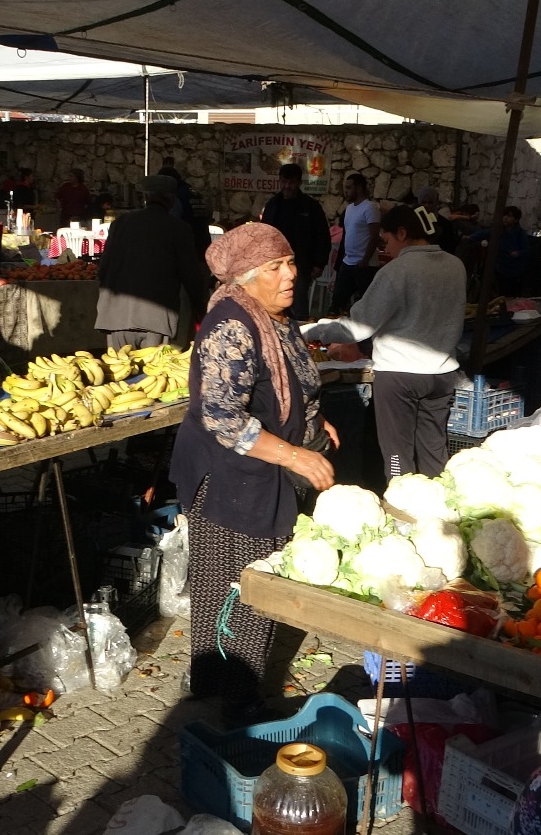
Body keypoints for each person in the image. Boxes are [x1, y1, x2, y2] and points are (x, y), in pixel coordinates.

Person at [169, 223, 337, 714]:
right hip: (229, 483)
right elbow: (222, 417)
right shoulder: (231, 326)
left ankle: (240, 690)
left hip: (264, 477)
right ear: (244, 277)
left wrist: (316, 422)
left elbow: (291, 382)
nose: (290, 275)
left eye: (290, 263)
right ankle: (225, 706)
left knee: (257, 589)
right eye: (275, 267)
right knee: (231, 594)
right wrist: (298, 454)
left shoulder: (276, 317)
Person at [304, 205, 465, 478]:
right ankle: (438, 511)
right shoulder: (456, 265)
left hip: (400, 375)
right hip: (443, 374)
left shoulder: (397, 271)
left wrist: (309, 331)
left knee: (396, 454)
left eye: (386, 240)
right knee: (434, 450)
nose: (385, 247)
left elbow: (357, 328)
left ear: (402, 234)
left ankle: (403, 513)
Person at [94, 175, 210, 349]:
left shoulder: (120, 224)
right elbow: (191, 276)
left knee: (118, 372)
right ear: (172, 200)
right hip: (155, 319)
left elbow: (103, 268)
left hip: (115, 317)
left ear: (145, 197)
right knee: (152, 373)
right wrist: (201, 309)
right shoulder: (178, 228)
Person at [260, 163, 328, 319]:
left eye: (291, 183)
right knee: (273, 305)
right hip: (273, 264)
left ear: (299, 183)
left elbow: (322, 236)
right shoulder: (272, 205)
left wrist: (319, 264)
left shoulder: (311, 207)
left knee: (298, 306)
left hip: (301, 265)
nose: (287, 186)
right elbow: (264, 233)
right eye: (283, 182)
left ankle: (300, 338)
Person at [330, 172, 379, 311]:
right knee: (337, 302)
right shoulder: (349, 209)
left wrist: (365, 260)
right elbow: (346, 236)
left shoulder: (370, 207)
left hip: (364, 265)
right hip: (348, 262)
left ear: (359, 188)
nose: (346, 191)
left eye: (349, 187)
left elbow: (374, 235)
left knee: (366, 304)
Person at [478, 206, 532, 297]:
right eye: (505, 215)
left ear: (516, 220)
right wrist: (470, 237)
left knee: (510, 294)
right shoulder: (499, 230)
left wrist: (517, 253)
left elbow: (527, 250)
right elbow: (485, 233)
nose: (505, 218)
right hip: (500, 267)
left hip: (514, 270)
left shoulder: (520, 233)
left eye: (510, 216)